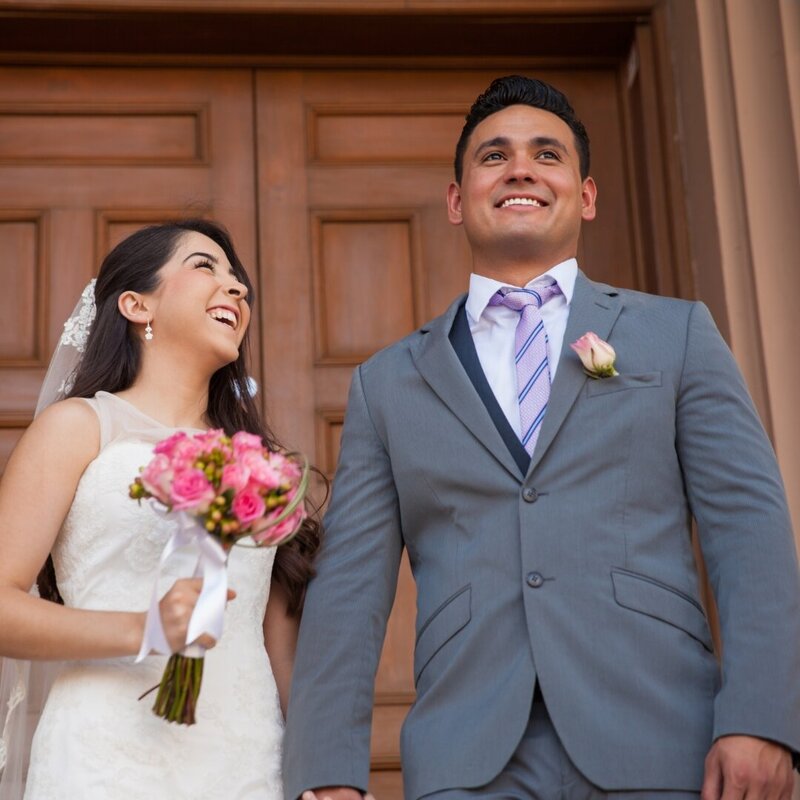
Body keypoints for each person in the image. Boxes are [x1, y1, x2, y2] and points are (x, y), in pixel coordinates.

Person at [283, 76, 800, 799]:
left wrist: (762, 719)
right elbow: (347, 592)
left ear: (585, 195)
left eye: (545, 154)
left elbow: (750, 529)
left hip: (661, 740)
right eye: (494, 156)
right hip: (467, 759)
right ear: (458, 201)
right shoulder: (388, 382)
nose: (520, 168)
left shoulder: (676, 335)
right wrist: (327, 773)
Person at [0, 219, 322, 799]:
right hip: (106, 757)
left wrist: (319, 777)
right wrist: (145, 629)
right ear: (136, 304)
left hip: (247, 759)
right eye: (206, 267)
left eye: (238, 280)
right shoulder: (78, 429)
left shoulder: (260, 465)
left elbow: (279, 649)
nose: (237, 289)